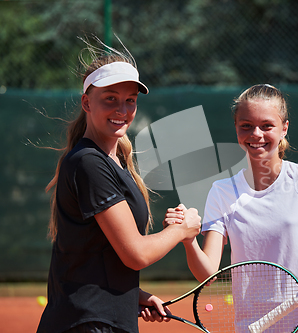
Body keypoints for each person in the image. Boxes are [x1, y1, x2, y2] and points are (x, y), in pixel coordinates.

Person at [37, 37, 201, 333]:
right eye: (110, 98)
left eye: (130, 100)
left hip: (99, 319)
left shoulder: (111, 163)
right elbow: (135, 253)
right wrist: (181, 230)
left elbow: (93, 257)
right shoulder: (89, 162)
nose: (122, 109)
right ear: (87, 102)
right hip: (88, 324)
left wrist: (131, 297)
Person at [167, 84, 298, 332]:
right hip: (254, 327)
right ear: (237, 129)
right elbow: (206, 274)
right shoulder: (222, 191)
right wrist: (188, 240)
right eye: (246, 126)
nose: (256, 134)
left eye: (266, 125)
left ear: (284, 128)